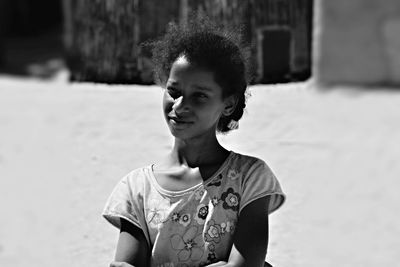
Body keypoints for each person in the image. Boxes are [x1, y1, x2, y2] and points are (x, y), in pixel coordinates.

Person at [103, 16, 285, 267]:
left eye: (198, 96)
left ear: (228, 104)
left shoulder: (250, 178)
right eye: (173, 92)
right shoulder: (136, 190)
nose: (179, 106)